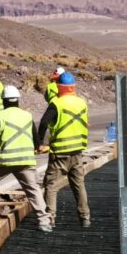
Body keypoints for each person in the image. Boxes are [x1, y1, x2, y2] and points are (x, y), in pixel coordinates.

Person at [0, 85, 53, 232]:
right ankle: (44, 221)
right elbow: (35, 138)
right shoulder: (27, 115)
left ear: (4, 101)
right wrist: (38, 146)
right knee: (33, 190)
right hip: (25, 161)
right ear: (18, 100)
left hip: (4, 160)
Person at [38, 72, 90, 227]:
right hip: (77, 153)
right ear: (73, 87)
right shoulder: (82, 103)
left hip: (59, 154)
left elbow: (43, 123)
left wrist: (39, 143)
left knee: (51, 185)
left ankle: (50, 218)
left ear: (59, 87)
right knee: (79, 185)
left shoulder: (57, 103)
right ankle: (85, 217)